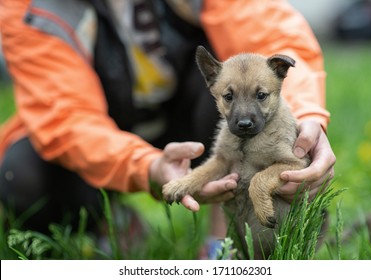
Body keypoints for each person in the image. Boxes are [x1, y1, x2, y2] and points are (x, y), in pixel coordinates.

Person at [0, 0, 335, 256]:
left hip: (193, 108)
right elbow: (66, 119)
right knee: (22, 177)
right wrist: (147, 167)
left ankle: (222, 247)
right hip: (106, 127)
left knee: (233, 82)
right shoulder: (28, 8)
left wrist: (305, 116)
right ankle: (111, 223)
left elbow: (267, 27)